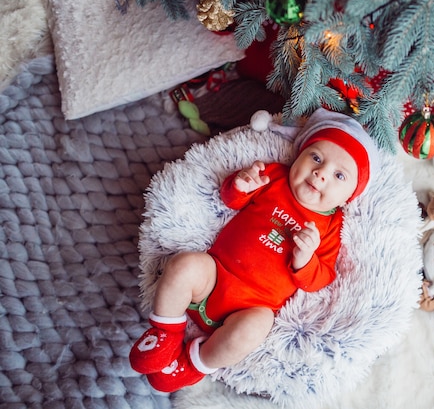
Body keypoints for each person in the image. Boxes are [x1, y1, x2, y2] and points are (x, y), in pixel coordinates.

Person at [129, 108, 380, 392]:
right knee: (184, 265)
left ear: (350, 196)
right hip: (216, 273)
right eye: (316, 158)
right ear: (300, 154)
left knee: (256, 329)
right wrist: (241, 184)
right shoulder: (274, 176)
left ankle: (194, 364)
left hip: (252, 306)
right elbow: (230, 200)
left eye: (339, 176)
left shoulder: (330, 225)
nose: (321, 173)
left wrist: (305, 260)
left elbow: (322, 277)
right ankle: (164, 334)